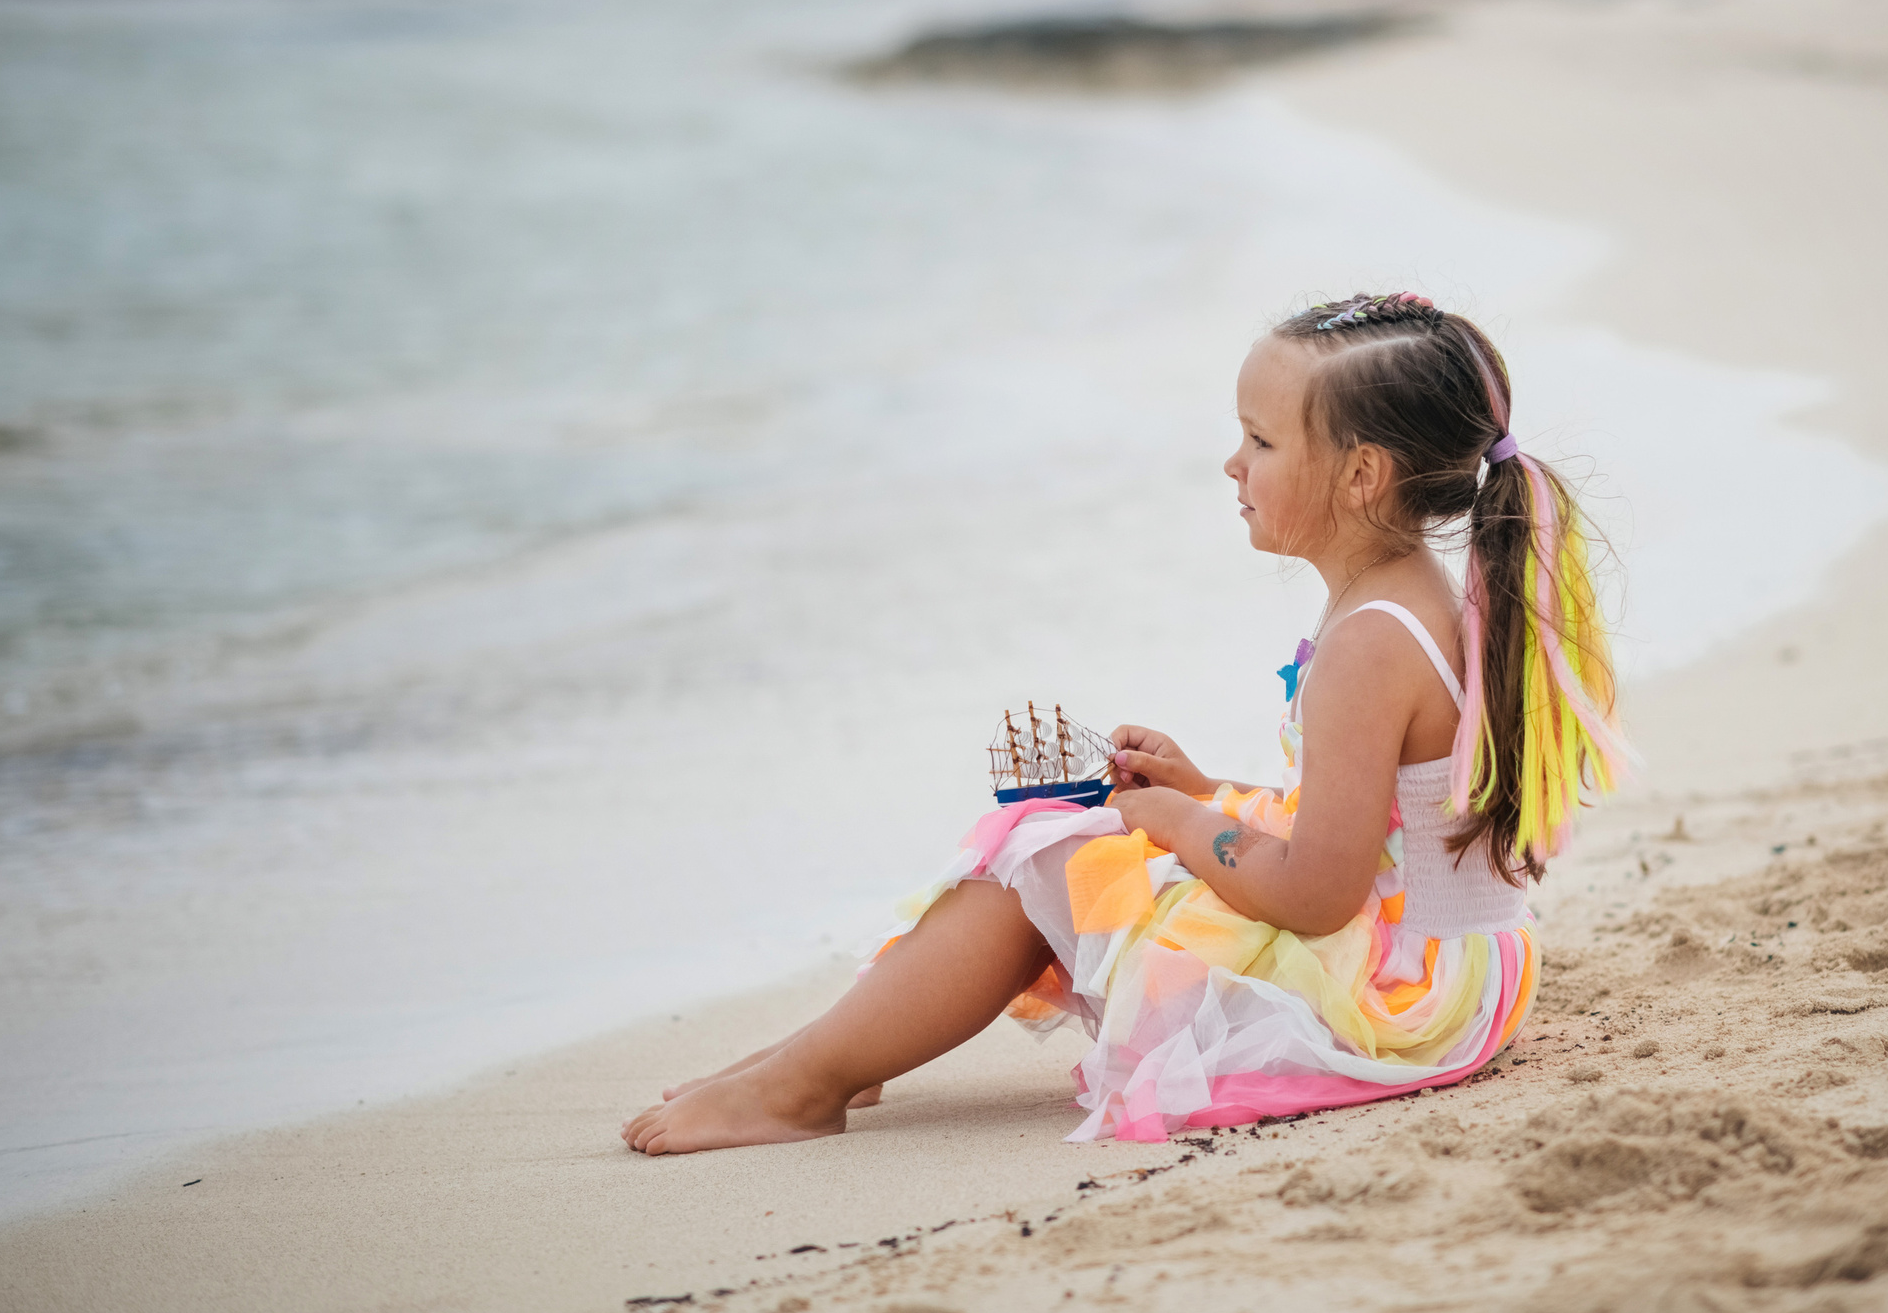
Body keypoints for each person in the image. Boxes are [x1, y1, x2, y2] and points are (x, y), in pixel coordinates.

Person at [622, 290, 1631, 1154]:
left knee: (1047, 851)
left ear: (1361, 475)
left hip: (1389, 1001)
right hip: (1448, 968)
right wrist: (1201, 793)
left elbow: (1320, 896)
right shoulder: (1410, 596)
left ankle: (809, 1083)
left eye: (1262, 441)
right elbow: (1372, 825)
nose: (1231, 464)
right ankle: (842, 1050)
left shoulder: (1371, 638)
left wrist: (1184, 828)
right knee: (1074, 839)